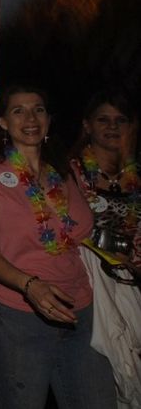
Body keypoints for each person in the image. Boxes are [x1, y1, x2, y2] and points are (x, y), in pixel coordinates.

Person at [0, 86, 115, 408]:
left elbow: (84, 230)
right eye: (18, 110)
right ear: (3, 122)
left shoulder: (67, 171)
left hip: (81, 311)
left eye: (38, 109)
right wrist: (30, 285)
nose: (30, 118)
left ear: (49, 120)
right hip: (17, 316)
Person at [69, 88, 141, 408]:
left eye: (120, 120)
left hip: (130, 284)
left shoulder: (135, 175)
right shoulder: (70, 172)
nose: (112, 127)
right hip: (88, 284)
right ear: (87, 126)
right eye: (103, 119)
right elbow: (66, 228)